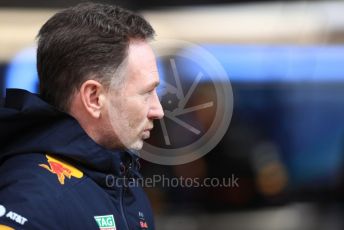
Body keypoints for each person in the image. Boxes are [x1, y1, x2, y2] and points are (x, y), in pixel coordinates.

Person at [0, 2, 164, 230]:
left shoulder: (124, 183)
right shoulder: (33, 199)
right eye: (146, 93)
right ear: (94, 98)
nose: (159, 110)